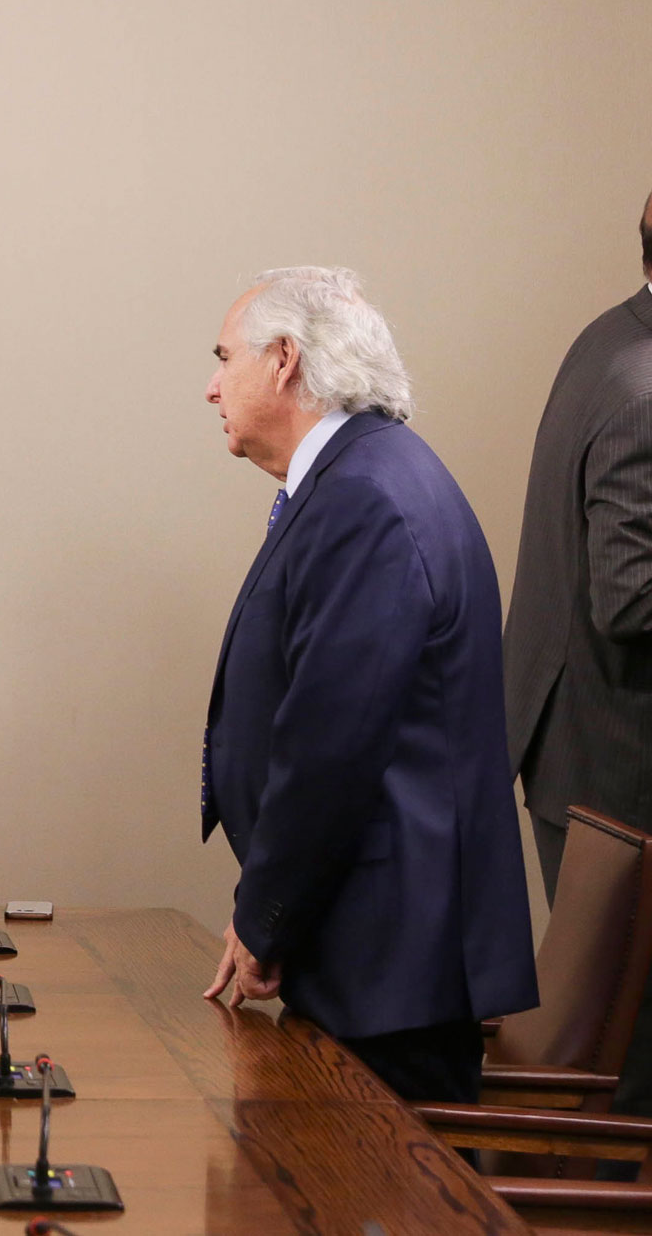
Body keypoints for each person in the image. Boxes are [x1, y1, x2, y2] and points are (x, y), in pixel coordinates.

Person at [198, 267, 537, 1103]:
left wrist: (263, 918)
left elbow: (331, 747)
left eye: (224, 358)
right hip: (376, 947)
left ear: (283, 359)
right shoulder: (362, 475)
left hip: (392, 962)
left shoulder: (364, 496)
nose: (212, 387)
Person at [504, 192, 652, 900]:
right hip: (619, 778)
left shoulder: (611, 334)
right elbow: (632, 599)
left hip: (579, 749)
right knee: (617, 980)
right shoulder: (643, 390)